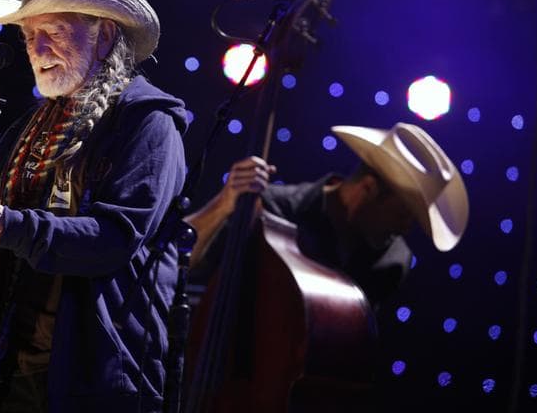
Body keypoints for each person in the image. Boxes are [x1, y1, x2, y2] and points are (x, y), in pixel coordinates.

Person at [0, 0, 188, 413]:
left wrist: (6, 227)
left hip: (93, 380)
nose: (36, 49)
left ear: (104, 35)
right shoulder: (27, 128)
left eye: (53, 31)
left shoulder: (147, 122)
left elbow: (114, 239)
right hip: (6, 370)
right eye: (28, 35)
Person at [183, 122, 469, 411]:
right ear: (369, 188)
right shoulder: (272, 210)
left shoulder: (394, 260)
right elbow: (181, 261)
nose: (405, 229)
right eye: (403, 215)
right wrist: (225, 203)